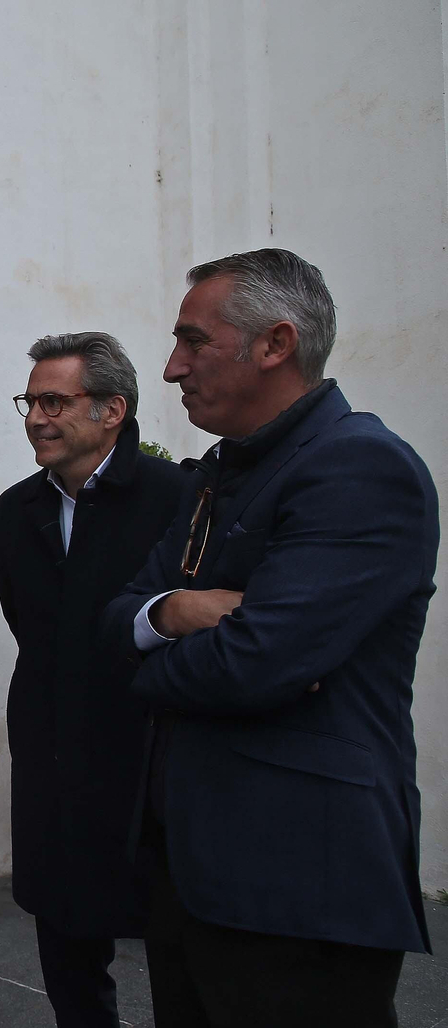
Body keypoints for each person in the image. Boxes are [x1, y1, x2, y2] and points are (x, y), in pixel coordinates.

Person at [102, 248, 437, 1027]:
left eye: (193, 341)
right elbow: (119, 617)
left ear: (276, 344)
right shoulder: (224, 469)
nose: (171, 367)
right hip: (193, 871)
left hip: (299, 883)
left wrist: (151, 659)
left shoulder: (360, 467)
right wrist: (177, 614)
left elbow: (254, 666)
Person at [0, 332, 189, 1027]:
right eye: (31, 401)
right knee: (67, 940)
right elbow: (30, 624)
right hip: (51, 746)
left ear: (113, 410)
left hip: (146, 754)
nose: (37, 418)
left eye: (55, 401)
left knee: (175, 946)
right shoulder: (16, 510)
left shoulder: (177, 497)